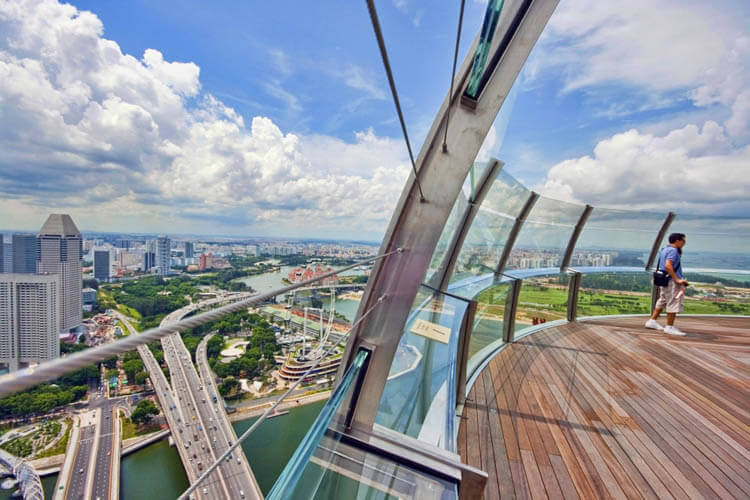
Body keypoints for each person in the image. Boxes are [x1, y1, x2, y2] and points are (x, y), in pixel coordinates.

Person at [646, 233, 688, 335]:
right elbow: (668, 266)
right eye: (683, 240)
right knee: (673, 301)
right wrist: (677, 279)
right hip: (671, 281)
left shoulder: (665, 249)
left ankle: (652, 321)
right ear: (677, 241)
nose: (684, 243)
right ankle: (669, 327)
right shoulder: (673, 251)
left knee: (663, 300)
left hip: (664, 279)